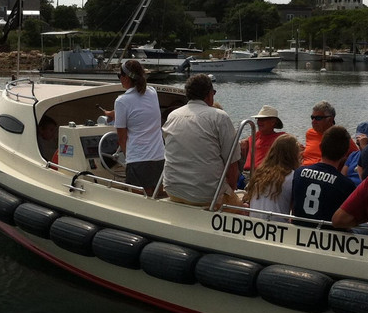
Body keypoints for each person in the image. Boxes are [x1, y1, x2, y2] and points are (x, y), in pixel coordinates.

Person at [161, 73, 241, 207]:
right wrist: (231, 190)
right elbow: (231, 163)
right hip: (206, 195)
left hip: (172, 190)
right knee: (244, 209)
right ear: (209, 94)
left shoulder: (173, 116)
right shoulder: (219, 117)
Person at [102, 59, 165, 195]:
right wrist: (113, 113)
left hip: (138, 159)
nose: (119, 79)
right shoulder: (152, 92)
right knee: (158, 196)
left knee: (140, 201)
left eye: (119, 76)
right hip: (159, 157)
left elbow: (122, 139)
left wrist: (127, 158)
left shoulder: (121, 101)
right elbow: (139, 111)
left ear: (125, 78)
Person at [292, 125, 357, 223]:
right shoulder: (346, 185)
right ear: (345, 153)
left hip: (298, 229)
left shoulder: (299, 173)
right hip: (328, 234)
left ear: (320, 147)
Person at [244, 134, 301, 220]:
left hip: (254, 224)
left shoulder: (259, 173)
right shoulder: (293, 177)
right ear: (294, 155)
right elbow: (295, 212)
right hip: (278, 227)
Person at [300, 101, 358, 165]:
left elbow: (356, 157)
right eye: (312, 118)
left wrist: (339, 160)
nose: (313, 121)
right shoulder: (310, 133)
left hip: (323, 172)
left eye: (318, 118)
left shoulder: (340, 136)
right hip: (303, 171)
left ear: (330, 119)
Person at [239, 105, 285, 173]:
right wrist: (243, 142)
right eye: (258, 119)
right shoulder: (255, 136)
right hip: (247, 174)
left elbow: (298, 147)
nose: (259, 122)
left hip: (266, 175)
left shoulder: (280, 138)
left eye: (263, 119)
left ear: (273, 122)